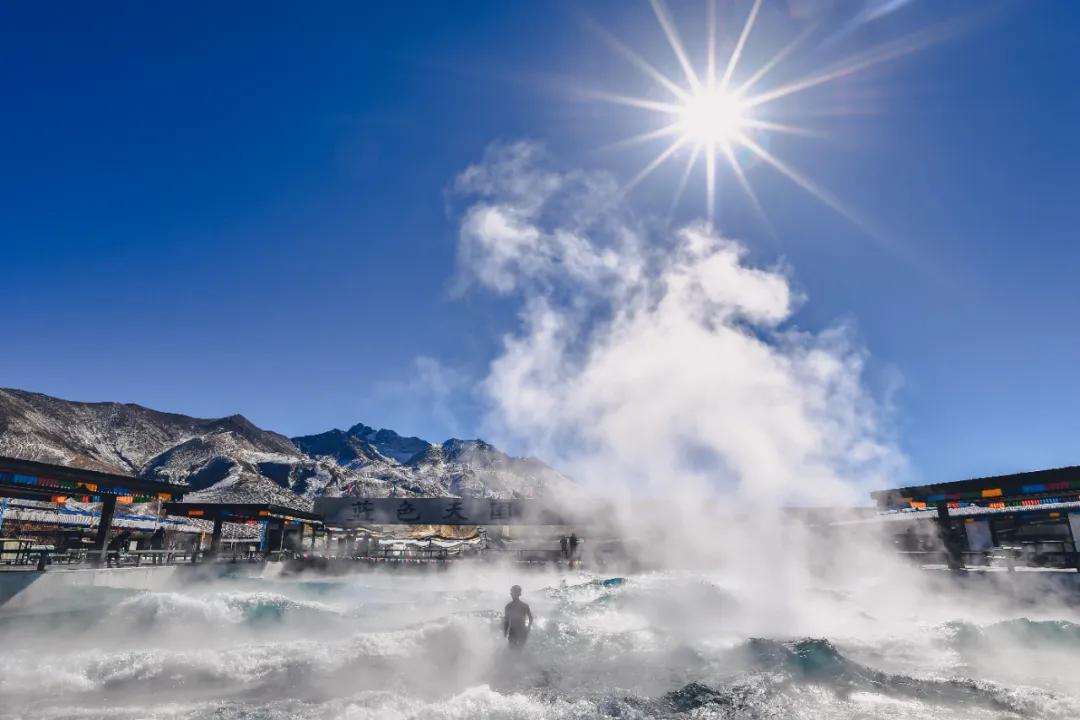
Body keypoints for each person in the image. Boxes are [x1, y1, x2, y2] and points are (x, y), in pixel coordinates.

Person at [503, 585, 533, 649]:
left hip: (519, 631)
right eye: (512, 592)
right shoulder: (509, 606)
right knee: (517, 650)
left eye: (514, 592)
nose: (512, 594)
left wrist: (528, 627)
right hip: (516, 631)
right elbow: (506, 621)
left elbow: (531, 618)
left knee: (516, 650)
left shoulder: (509, 606)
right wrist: (528, 628)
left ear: (519, 594)